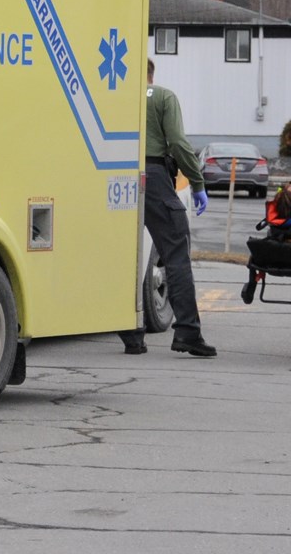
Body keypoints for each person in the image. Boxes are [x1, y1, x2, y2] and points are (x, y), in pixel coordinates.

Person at [119, 59, 216, 357]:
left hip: (114, 175)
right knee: (175, 252)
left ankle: (131, 333)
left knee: (126, 255)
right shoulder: (162, 97)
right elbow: (177, 142)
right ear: (151, 75)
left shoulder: (115, 94)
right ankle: (187, 331)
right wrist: (197, 183)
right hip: (154, 177)